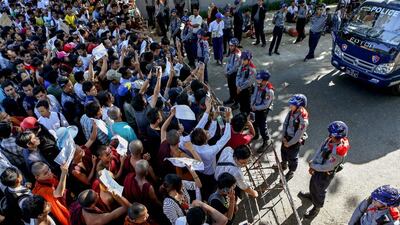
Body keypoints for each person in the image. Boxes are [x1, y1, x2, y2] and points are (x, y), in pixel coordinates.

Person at [298, 121, 350, 219]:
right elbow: (321, 149)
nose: (329, 136)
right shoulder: (330, 139)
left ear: (338, 137)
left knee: (320, 189)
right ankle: (312, 196)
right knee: (313, 184)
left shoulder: (338, 151)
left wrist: (314, 166)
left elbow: (328, 166)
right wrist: (314, 161)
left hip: (325, 173)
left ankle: (317, 207)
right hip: (318, 166)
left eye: (332, 135)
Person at [278, 94, 309, 181]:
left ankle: (291, 171)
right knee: (283, 151)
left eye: (293, 104)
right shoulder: (292, 111)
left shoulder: (303, 120)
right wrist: (284, 136)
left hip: (294, 140)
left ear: (299, 107)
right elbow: (285, 123)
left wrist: (290, 143)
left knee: (292, 157)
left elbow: (299, 134)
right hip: (287, 137)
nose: (290, 106)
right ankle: (284, 164)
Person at [251, 70, 274, 151]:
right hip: (255, 107)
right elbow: (254, 95)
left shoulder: (269, 91)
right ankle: (256, 134)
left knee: (262, 126)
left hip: (262, 110)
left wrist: (255, 108)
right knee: (254, 121)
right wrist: (252, 104)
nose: (257, 81)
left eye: (259, 80)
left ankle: (266, 140)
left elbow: (265, 105)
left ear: (265, 81)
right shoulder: (258, 85)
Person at [223, 38, 241, 108]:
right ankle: (231, 98)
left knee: (235, 88)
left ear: (236, 46)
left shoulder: (238, 55)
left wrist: (228, 73)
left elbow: (235, 67)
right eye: (230, 45)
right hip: (230, 73)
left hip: (235, 74)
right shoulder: (231, 52)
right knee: (230, 87)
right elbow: (228, 61)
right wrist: (225, 70)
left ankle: (236, 103)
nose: (230, 47)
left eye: (232, 46)